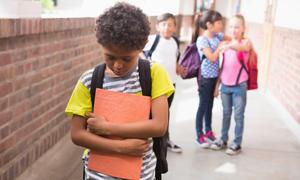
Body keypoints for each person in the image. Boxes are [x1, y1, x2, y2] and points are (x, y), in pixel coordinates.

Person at [65, 2, 174, 180]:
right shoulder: (89, 80)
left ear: (144, 45)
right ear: (100, 44)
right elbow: (77, 134)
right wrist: (122, 147)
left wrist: (107, 128)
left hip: (142, 175)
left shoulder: (153, 74)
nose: (118, 65)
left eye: (127, 58)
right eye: (110, 56)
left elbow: (159, 125)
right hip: (97, 176)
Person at [211, 14, 252, 155]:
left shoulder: (246, 42)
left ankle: (237, 143)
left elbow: (240, 47)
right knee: (226, 114)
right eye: (231, 26)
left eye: (237, 27)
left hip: (239, 85)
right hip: (225, 86)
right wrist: (217, 86)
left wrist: (227, 45)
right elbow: (222, 67)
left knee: (238, 116)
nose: (234, 29)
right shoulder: (225, 45)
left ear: (243, 29)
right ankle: (223, 139)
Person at [142, 13, 182, 153]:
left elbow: (175, 58)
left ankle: (165, 141)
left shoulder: (175, 42)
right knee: (152, 114)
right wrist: (148, 64)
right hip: (155, 86)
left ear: (175, 28)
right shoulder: (153, 40)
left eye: (170, 24)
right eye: (163, 24)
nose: (167, 27)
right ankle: (150, 141)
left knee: (166, 114)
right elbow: (140, 52)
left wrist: (178, 68)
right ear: (158, 26)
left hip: (171, 84)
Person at [193, 10, 230, 148]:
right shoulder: (202, 40)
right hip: (205, 78)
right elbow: (212, 58)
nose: (221, 25)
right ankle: (199, 135)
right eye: (219, 22)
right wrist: (220, 47)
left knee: (210, 106)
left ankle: (208, 131)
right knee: (202, 106)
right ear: (209, 25)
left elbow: (230, 38)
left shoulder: (217, 35)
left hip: (214, 77)